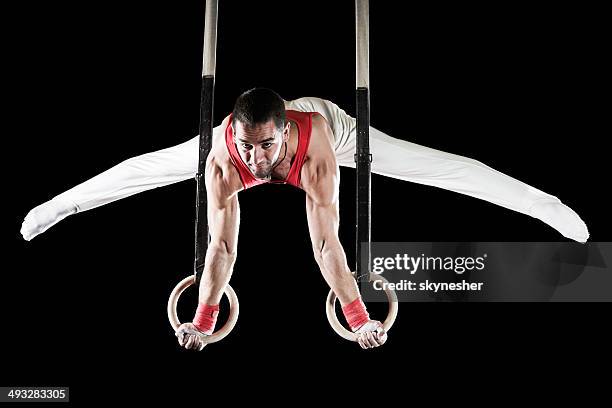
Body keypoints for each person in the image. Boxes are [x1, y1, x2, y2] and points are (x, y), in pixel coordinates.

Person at [20, 88, 590, 349]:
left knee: (439, 167)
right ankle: (46, 212)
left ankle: (557, 214)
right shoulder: (226, 156)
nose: (257, 160)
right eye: (249, 147)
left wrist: (359, 313)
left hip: (331, 126)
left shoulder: (314, 153)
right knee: (141, 169)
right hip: (253, 123)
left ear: (282, 135)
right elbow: (221, 250)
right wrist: (202, 314)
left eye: (265, 148)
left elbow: (325, 246)